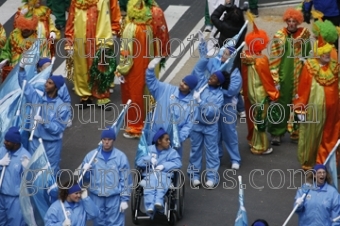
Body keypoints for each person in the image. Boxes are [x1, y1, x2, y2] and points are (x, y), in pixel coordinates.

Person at [293, 34, 339, 170]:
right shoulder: (309, 67)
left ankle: (327, 163)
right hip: (315, 111)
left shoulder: (335, 67)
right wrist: (300, 109)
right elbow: (303, 90)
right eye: (324, 52)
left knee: (330, 136)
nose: (327, 54)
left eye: (328, 51)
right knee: (312, 136)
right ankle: (310, 163)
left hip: (333, 112)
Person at [18, 58, 70, 176]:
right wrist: (21, 69)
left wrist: (44, 122)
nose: (46, 84)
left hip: (51, 144)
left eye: (50, 83)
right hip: (35, 141)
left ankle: (50, 194)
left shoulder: (62, 107)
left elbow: (58, 129)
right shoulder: (37, 98)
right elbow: (25, 86)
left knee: (50, 172)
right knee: (33, 170)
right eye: (47, 82)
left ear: (56, 87)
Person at [268, 8, 311, 145]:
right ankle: (276, 133)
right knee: (281, 103)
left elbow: (307, 56)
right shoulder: (280, 36)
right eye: (289, 21)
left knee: (300, 102)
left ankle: (296, 131)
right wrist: (275, 78)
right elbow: (274, 58)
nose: (291, 23)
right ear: (286, 21)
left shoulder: (304, 36)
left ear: (298, 22)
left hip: (300, 76)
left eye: (294, 21)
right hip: (284, 77)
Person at [65, 0, 119, 108]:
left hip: (100, 38)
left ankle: (102, 95)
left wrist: (114, 30)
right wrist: (69, 40)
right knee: (81, 67)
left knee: (101, 65)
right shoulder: (76, 2)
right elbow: (71, 20)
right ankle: (85, 95)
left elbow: (114, 12)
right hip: (81, 40)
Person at [186, 37, 224, 188]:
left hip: (210, 126)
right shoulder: (203, 84)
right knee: (195, 150)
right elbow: (198, 70)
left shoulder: (219, 95)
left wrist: (200, 103)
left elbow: (211, 112)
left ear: (218, 83)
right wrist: (206, 57)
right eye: (212, 75)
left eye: (214, 77)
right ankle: (194, 175)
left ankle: (212, 177)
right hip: (196, 123)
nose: (211, 78)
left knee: (212, 152)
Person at [241, 12, 279, 155]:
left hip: (250, 93)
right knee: (260, 121)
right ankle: (260, 146)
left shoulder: (245, 57)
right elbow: (267, 79)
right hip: (261, 94)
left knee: (254, 118)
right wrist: (274, 93)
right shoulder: (261, 60)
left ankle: (253, 140)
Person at [115, 0, 154, 138]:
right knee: (143, 94)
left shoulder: (130, 28)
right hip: (145, 68)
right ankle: (144, 123)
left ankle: (135, 127)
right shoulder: (147, 28)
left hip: (132, 70)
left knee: (132, 96)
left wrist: (121, 69)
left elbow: (126, 52)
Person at [145, 58, 198, 158]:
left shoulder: (192, 105)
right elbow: (152, 83)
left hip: (172, 145)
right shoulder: (166, 89)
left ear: (190, 88)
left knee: (171, 169)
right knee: (149, 166)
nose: (182, 84)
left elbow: (189, 126)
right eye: (183, 81)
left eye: (186, 84)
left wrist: (175, 139)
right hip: (154, 138)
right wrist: (150, 70)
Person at [81, 127, 132, 226]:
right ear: (101, 140)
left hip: (114, 198)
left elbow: (126, 180)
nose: (107, 142)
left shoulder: (121, 157)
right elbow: (83, 181)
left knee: (115, 223)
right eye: (104, 139)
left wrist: (124, 199)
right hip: (96, 197)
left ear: (113, 140)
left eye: (109, 139)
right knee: (98, 223)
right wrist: (85, 171)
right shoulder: (91, 156)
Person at [136, 128, 182, 214]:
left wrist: (164, 166)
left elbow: (178, 163)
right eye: (166, 139)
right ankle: (151, 205)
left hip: (165, 175)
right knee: (152, 182)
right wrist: (149, 160)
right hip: (150, 175)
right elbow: (138, 161)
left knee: (160, 181)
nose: (169, 141)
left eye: (169, 139)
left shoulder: (172, 152)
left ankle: (158, 202)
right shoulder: (148, 150)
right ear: (159, 141)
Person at [0, 126, 31, 226]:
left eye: (8, 141)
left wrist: (28, 169)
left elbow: (30, 181)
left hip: (15, 199)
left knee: (15, 223)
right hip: (1, 195)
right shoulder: (2, 151)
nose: (5, 142)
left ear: (15, 143)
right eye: (5, 140)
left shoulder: (25, 157)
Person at [0, 14, 41, 82]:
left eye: (27, 30)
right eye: (23, 28)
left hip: (26, 74)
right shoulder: (14, 34)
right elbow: (7, 50)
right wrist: (5, 59)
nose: (24, 31)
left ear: (32, 29)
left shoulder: (36, 41)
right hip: (10, 72)